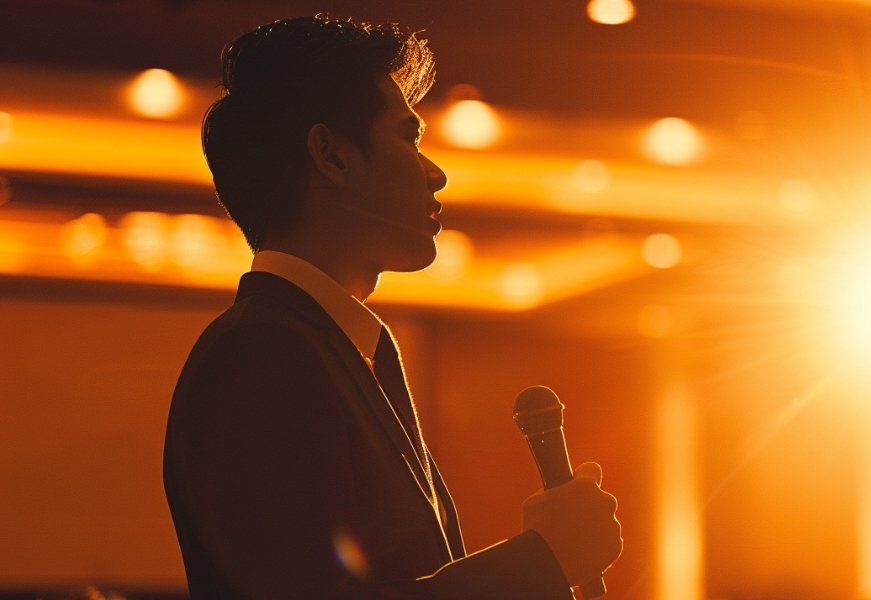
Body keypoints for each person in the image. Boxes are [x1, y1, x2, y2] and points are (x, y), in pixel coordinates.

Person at [162, 14, 622, 600]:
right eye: (408, 138)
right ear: (331, 155)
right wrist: (542, 561)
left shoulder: (334, 347)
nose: (436, 174)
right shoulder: (261, 353)